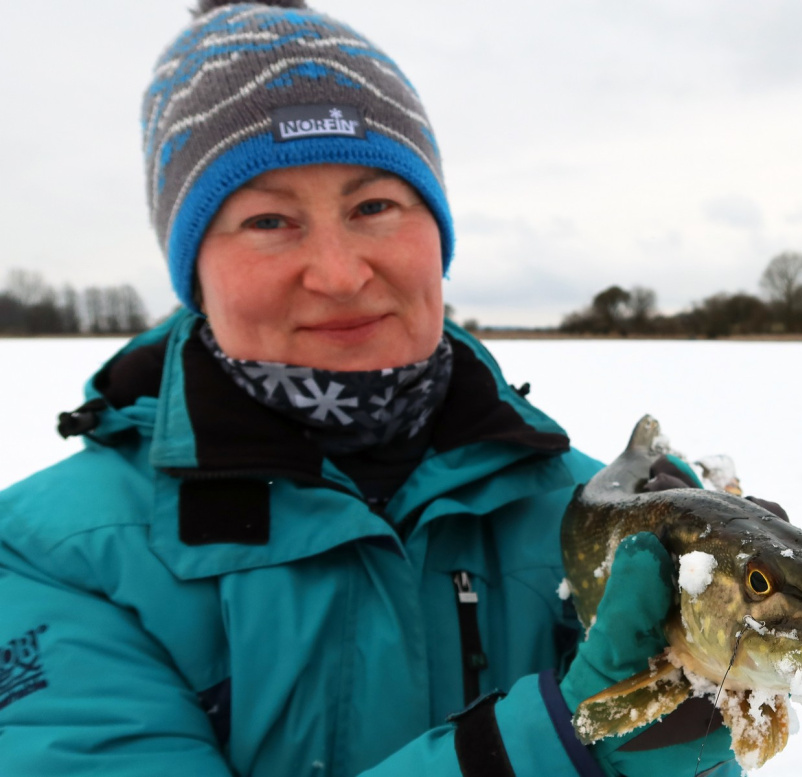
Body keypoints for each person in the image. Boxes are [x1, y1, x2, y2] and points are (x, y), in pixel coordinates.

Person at [0, 2, 739, 775]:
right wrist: (552, 745)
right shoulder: (52, 557)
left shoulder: (583, 517)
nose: (342, 272)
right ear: (194, 271)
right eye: (268, 221)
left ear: (437, 231)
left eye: (374, 206)